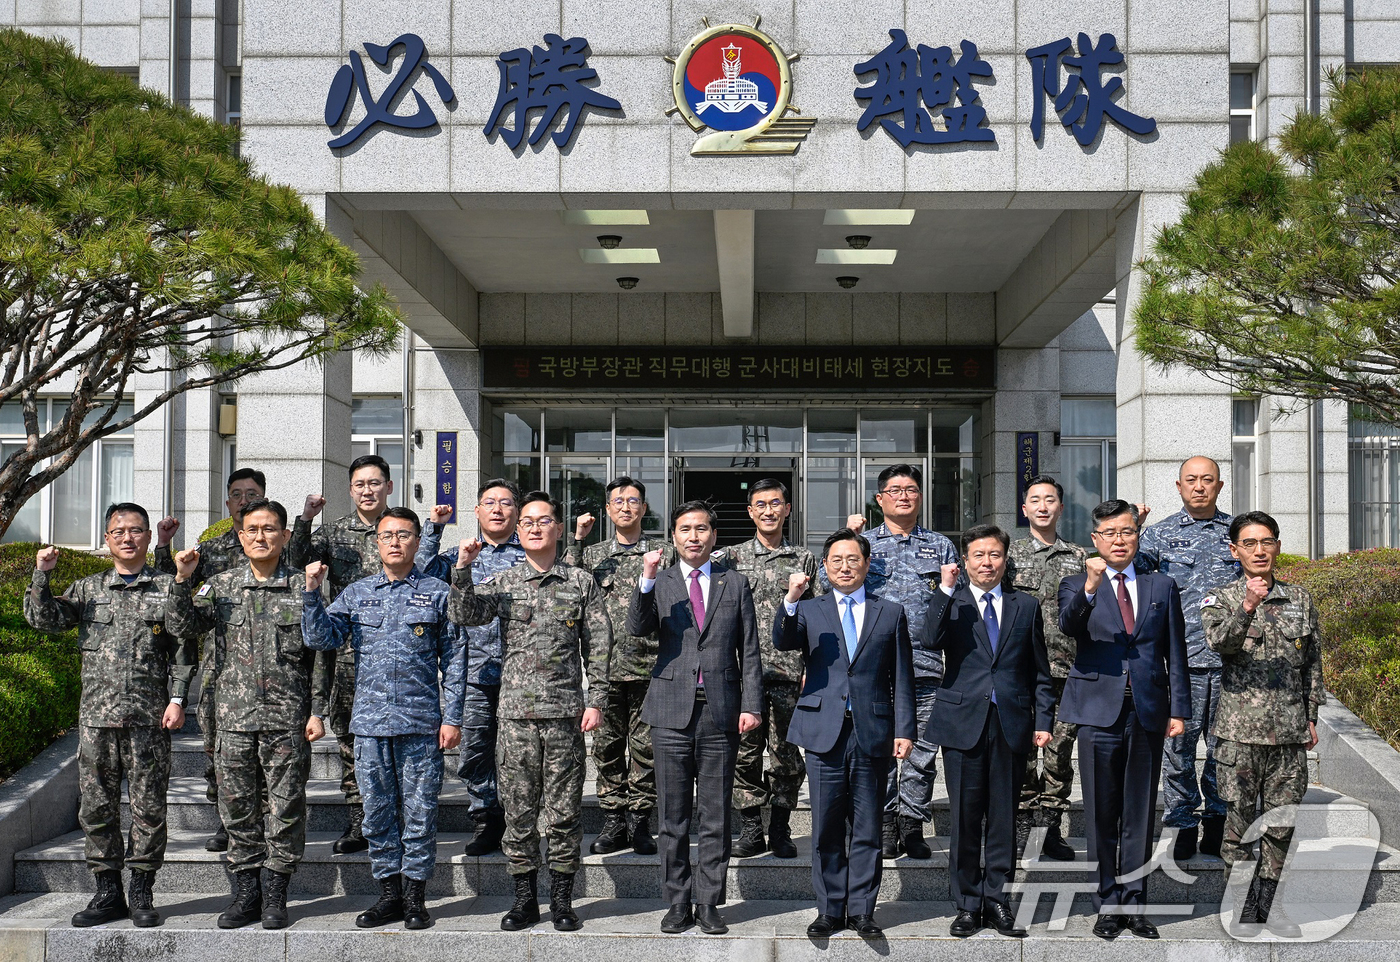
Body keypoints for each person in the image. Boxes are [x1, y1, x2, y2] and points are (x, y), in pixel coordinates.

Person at [25, 503, 195, 929]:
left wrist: (178, 699)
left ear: (145, 536)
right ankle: (106, 891)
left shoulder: (166, 586)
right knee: (97, 808)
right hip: (98, 718)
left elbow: (182, 647)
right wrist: (42, 574)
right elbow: (44, 620)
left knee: (149, 808)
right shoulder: (89, 588)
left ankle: (141, 889)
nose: (127, 538)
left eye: (136, 530)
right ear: (106, 539)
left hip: (148, 719)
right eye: (118, 531)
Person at [449, 491, 610, 932]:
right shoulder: (504, 582)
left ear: (559, 529)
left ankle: (561, 900)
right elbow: (463, 615)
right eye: (528, 522)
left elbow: (599, 647)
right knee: (518, 812)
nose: (536, 527)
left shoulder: (580, 583)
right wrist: (462, 569)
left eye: (545, 521)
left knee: (563, 813)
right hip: (516, 718)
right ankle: (524, 901)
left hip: (564, 717)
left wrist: (596, 700)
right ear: (519, 532)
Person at [302, 506, 466, 931]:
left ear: (418, 541)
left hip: (419, 723)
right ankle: (388, 895)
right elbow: (321, 637)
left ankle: (415, 898)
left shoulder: (437, 592)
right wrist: (311, 594)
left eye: (405, 535)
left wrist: (454, 717)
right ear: (376, 543)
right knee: (376, 812)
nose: (396, 542)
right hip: (370, 725)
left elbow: (455, 658)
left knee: (419, 811)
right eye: (387, 535)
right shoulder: (357, 594)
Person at [167, 499, 320, 930]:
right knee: (237, 808)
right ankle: (246, 893)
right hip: (233, 719)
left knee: (286, 807)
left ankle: (276, 893)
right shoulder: (219, 586)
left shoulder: (304, 587)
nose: (260, 536)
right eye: (251, 529)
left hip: (286, 719)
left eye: (270, 529)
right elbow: (182, 627)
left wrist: (318, 710)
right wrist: (181, 580)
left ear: (286, 536)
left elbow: (322, 655)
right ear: (240, 536)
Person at [627, 501, 763, 936]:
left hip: (720, 710)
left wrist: (752, 704)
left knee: (716, 815)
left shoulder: (735, 582)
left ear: (713, 536)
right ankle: (677, 901)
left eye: (701, 529)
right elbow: (637, 627)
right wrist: (646, 580)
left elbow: (751, 650)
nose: (693, 536)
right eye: (685, 529)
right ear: (673, 536)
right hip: (670, 710)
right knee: (672, 815)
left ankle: (708, 902)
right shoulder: (660, 580)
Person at [1057, 500, 1189, 940]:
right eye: (1110, 533)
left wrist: (1178, 710)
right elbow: (1069, 626)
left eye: (1127, 532)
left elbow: (1175, 651)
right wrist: (1091, 586)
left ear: (1138, 535)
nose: (1119, 539)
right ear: (1095, 539)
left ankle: (1136, 904)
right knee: (1099, 813)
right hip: (1097, 712)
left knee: (1139, 813)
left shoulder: (1161, 585)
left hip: (1148, 710)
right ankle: (1106, 904)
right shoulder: (1075, 583)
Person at [774, 528, 915, 939]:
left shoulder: (889, 611)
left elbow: (901, 676)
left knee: (869, 826)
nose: (845, 567)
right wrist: (790, 600)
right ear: (824, 566)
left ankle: (862, 911)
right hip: (824, 732)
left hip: (873, 730)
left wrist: (904, 729)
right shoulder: (809, 609)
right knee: (827, 825)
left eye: (853, 559)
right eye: (836, 560)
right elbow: (782, 640)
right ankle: (829, 910)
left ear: (868, 565)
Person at [923, 524, 1054, 939]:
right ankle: (966, 904)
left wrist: (1044, 720)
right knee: (963, 817)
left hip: (1011, 722)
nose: (987, 563)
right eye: (978, 555)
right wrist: (944, 590)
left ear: (1005, 559)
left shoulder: (1025, 605)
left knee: (1002, 817)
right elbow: (928, 638)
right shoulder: (952, 601)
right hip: (963, 723)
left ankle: (997, 899)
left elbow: (1040, 671)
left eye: (994, 555)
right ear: (965, 561)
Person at [1202, 511, 1324, 938]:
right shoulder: (1220, 598)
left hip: (1289, 733)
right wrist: (1248, 606)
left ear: (1276, 545)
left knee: (1281, 824)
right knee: (1237, 826)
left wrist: (1311, 715)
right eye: (1249, 544)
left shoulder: (1300, 599)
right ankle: (1239, 907)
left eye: (1267, 542)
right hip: (1240, 734)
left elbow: (1312, 663)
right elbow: (1221, 644)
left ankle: (1268, 908)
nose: (1259, 550)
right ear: (1235, 550)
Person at [833, 463, 957, 859]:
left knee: (921, 754)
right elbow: (829, 587)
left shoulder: (940, 546)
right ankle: (884, 824)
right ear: (880, 498)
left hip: (926, 667)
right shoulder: (864, 544)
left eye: (911, 489)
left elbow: (958, 605)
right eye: (895, 490)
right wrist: (849, 537)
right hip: (877, 670)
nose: (904, 496)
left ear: (920, 497)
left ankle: (912, 824)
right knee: (882, 751)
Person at [287, 454, 400, 856]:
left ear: (389, 485)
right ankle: (359, 820)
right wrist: (305, 520)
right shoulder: (334, 534)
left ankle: (396, 818)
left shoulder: (400, 529)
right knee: (352, 742)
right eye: (359, 485)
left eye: (374, 483)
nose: (367, 491)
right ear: (350, 490)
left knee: (398, 743)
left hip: (400, 654)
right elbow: (294, 561)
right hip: (351, 656)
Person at [153, 467, 265, 852]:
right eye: (237, 493)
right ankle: (226, 821)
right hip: (223, 666)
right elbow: (176, 589)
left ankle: (263, 821)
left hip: (269, 668)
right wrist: (163, 546)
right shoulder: (212, 548)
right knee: (218, 749)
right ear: (228, 501)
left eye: (252, 493)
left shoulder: (274, 541)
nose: (244, 500)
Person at [415, 479, 527, 855]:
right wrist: (434, 528)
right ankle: (486, 819)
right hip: (473, 674)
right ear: (477, 511)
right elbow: (421, 573)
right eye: (489, 503)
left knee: (517, 753)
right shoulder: (458, 553)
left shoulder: (528, 553)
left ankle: (518, 819)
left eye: (506, 503)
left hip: (519, 674)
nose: (497, 509)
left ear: (517, 512)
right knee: (475, 751)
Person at [565, 476, 673, 856]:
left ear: (644, 508)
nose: (626, 507)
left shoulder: (665, 553)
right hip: (604, 670)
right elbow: (569, 581)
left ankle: (641, 821)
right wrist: (578, 539)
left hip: (651, 668)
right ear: (608, 509)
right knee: (607, 747)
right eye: (618, 501)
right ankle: (613, 820)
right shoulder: (593, 556)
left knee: (645, 749)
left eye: (633, 501)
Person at [1138, 456, 1239, 860]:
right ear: (1178, 486)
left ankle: (1216, 820)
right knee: (1177, 749)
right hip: (1179, 664)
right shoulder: (1159, 535)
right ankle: (1182, 822)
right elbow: (1133, 581)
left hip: (1232, 662)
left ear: (1220, 485)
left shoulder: (1238, 533)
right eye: (1191, 481)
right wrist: (1134, 526)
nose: (1199, 487)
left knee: (1223, 749)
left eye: (1207, 480)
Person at [723, 478, 818, 860]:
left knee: (787, 754)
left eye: (775, 503)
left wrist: (813, 666)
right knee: (743, 752)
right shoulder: (728, 559)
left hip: (788, 674)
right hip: (741, 673)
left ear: (787, 509)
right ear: (750, 512)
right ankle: (750, 828)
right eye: (760, 504)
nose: (768, 510)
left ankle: (780, 827)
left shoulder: (804, 560)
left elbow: (815, 618)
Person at [1007, 475, 1086, 860]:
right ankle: (1023, 826)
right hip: (1022, 673)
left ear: (1060, 507)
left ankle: (1051, 828)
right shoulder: (1009, 557)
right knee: (1021, 752)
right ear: (1024, 509)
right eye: (1035, 500)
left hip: (1067, 672)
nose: (1042, 506)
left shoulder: (1081, 557)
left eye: (1050, 499)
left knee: (1058, 753)